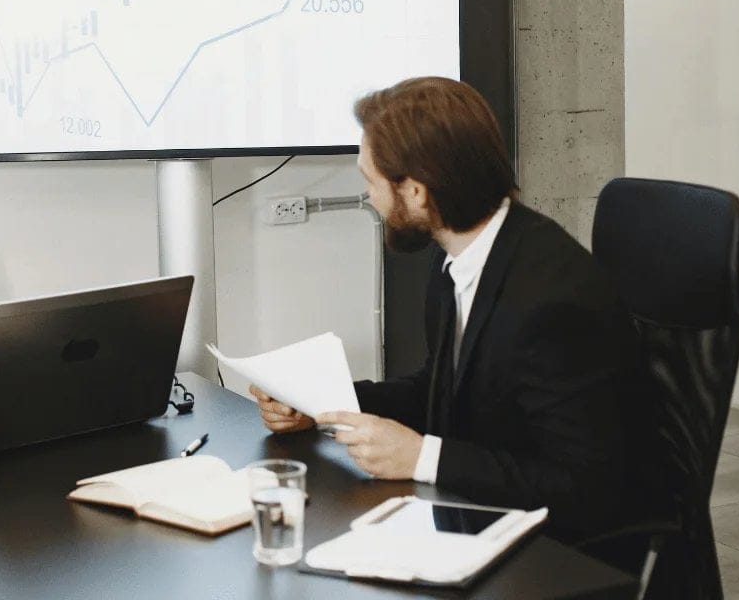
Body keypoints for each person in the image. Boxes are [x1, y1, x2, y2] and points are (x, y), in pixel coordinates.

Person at [251, 77, 643, 539]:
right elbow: (440, 389)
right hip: (478, 517)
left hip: (559, 554)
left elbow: (586, 488)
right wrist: (321, 406)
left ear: (415, 192)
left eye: (370, 182)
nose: (368, 198)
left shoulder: (551, 301)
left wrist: (421, 457)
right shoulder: (458, 254)